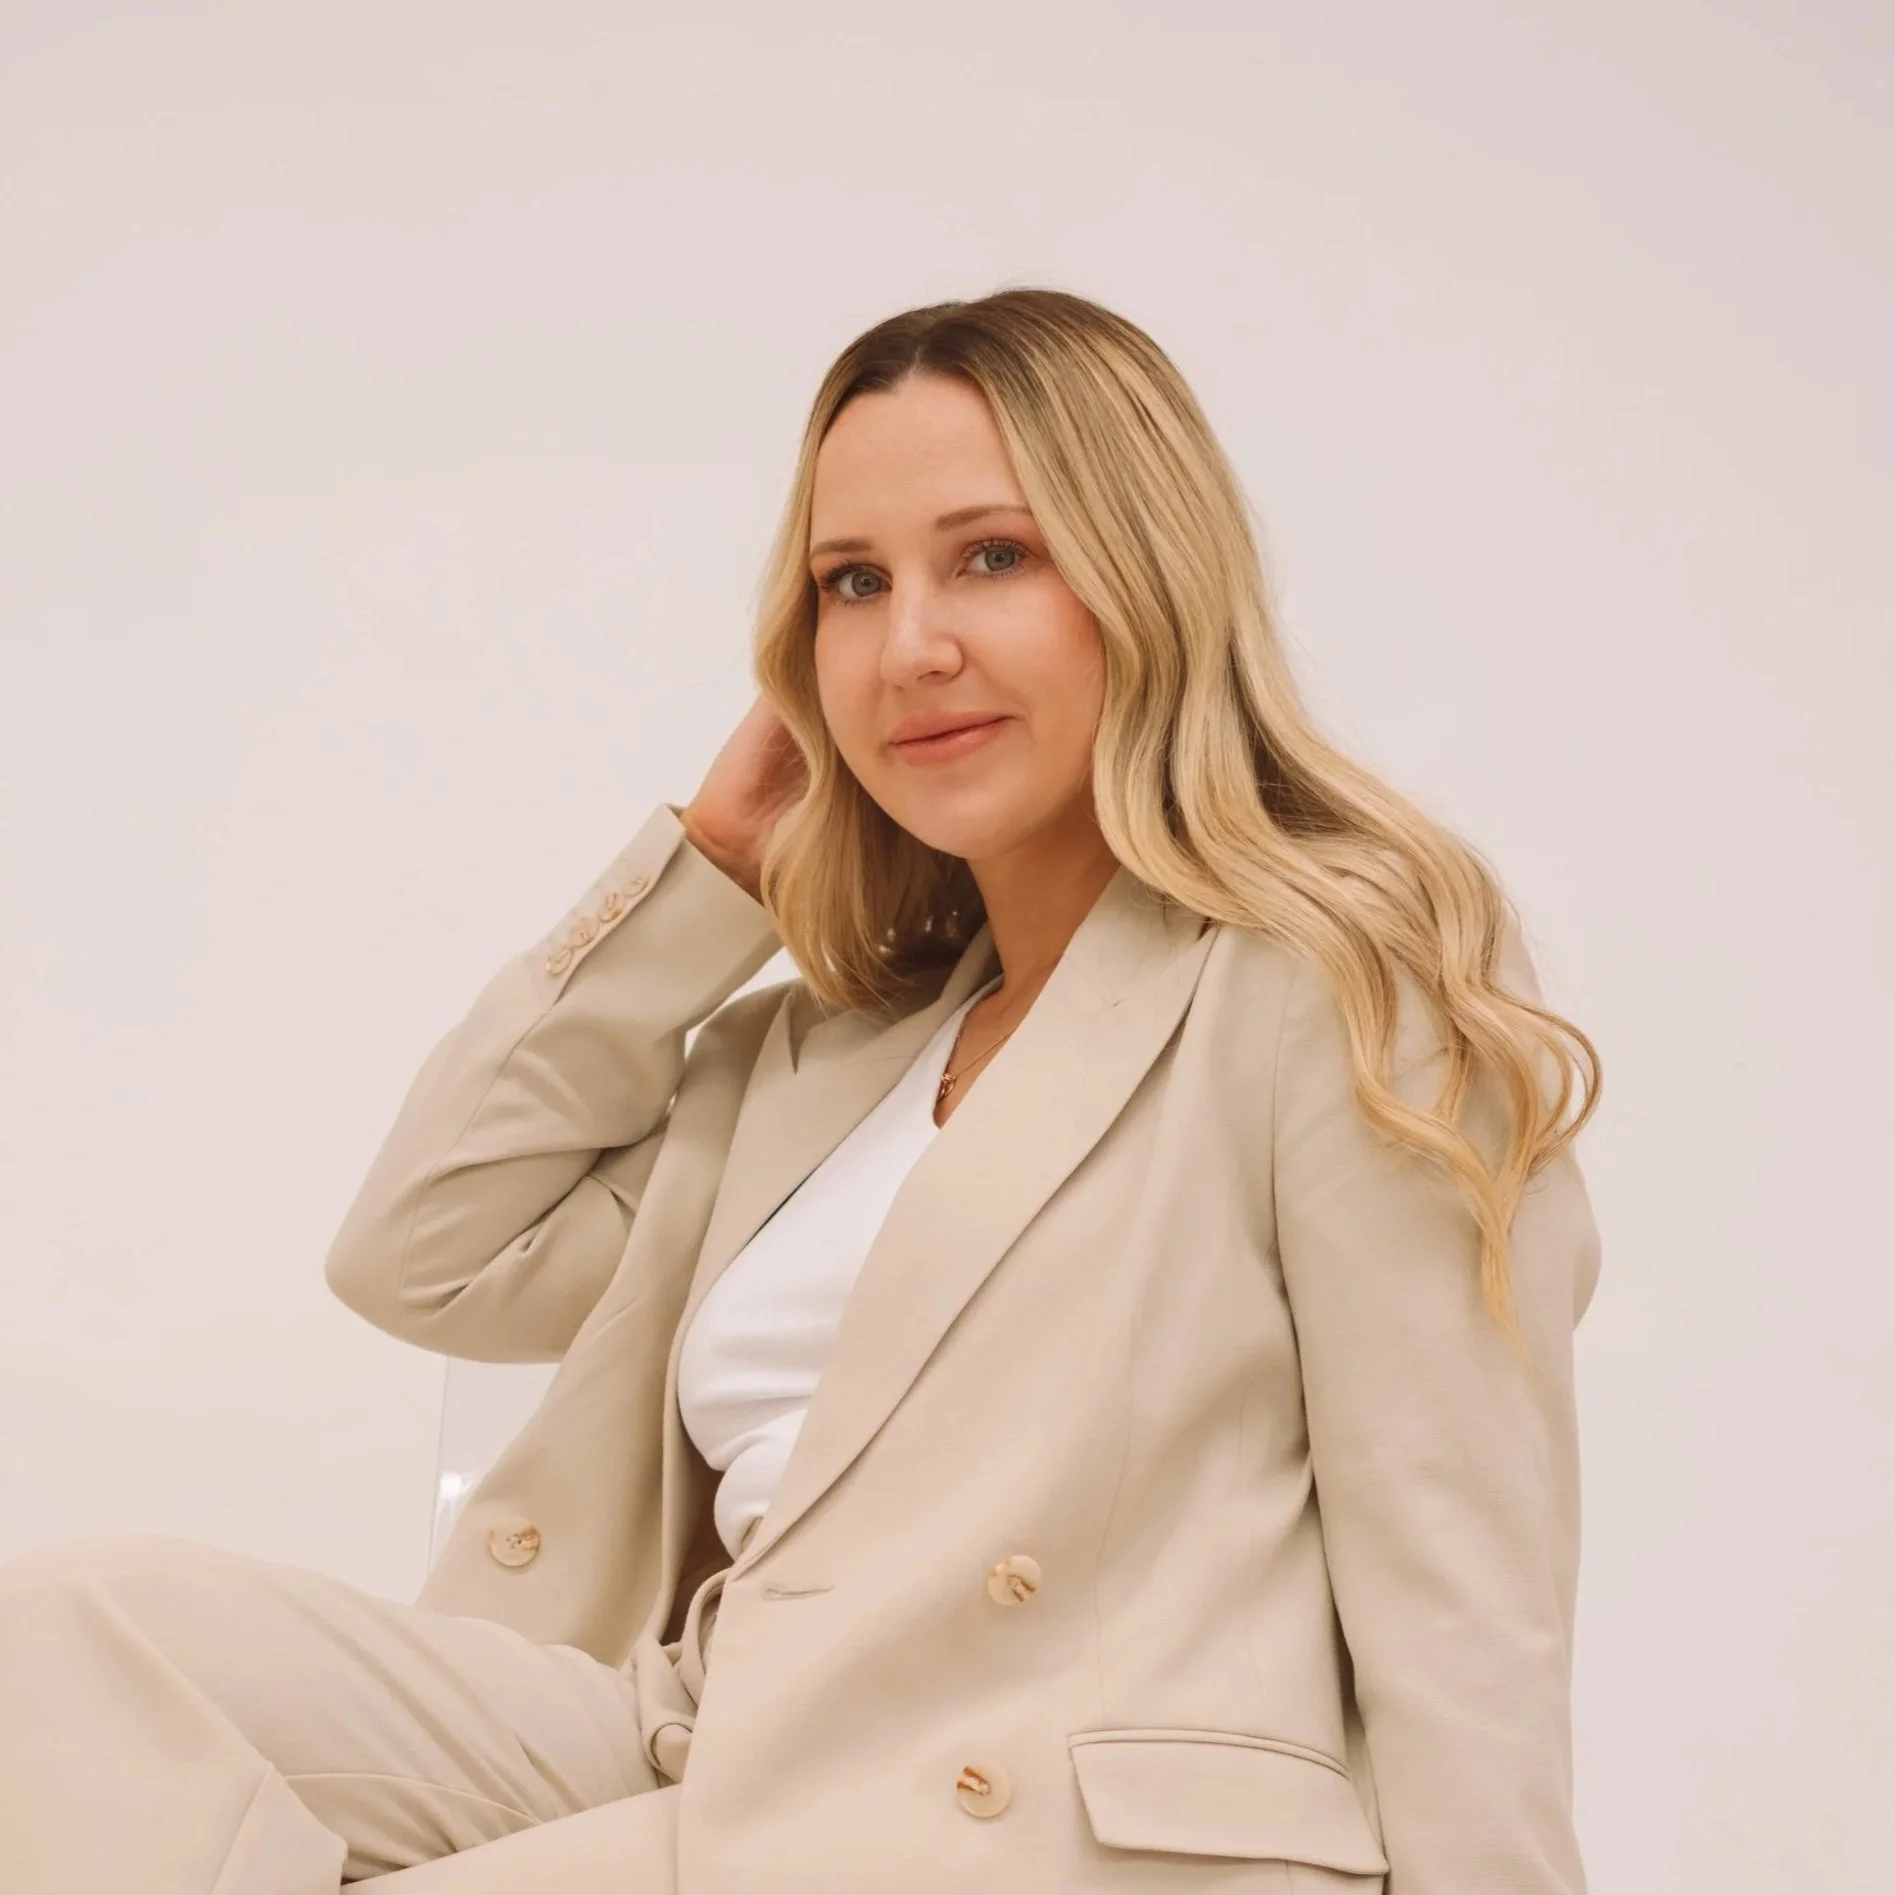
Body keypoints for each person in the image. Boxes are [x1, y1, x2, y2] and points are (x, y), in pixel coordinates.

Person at [0, 286, 1604, 1894]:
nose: (912, 645)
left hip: (1037, 1826)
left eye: (993, 555)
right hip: (712, 1731)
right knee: (61, 1642)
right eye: (854, 583)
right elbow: (424, 1247)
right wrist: (705, 874)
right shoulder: (821, 1053)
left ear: (1146, 578)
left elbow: (1458, 1581)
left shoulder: (1326, 985)